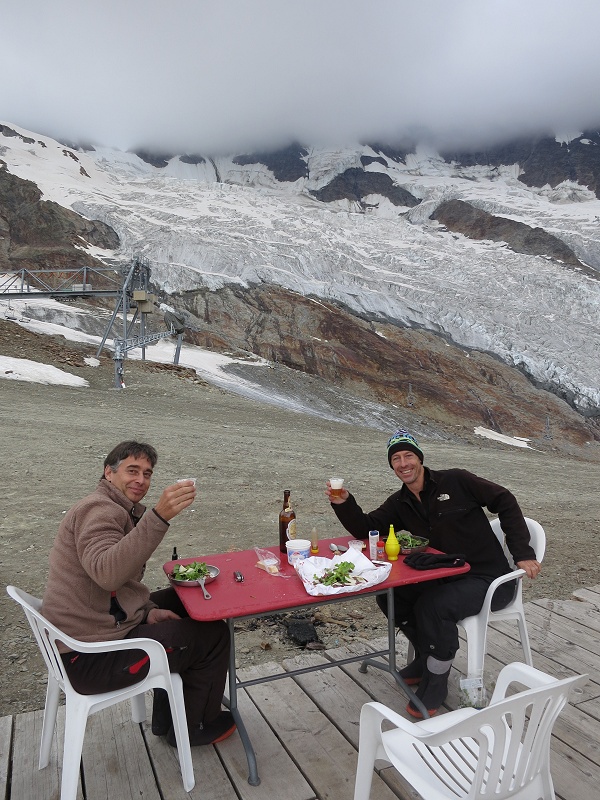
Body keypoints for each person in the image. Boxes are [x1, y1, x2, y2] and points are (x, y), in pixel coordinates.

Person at [326, 429, 541, 718]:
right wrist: (344, 504)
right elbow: (368, 529)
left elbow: (504, 499)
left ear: (420, 458)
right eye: (396, 459)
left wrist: (523, 553)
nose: (403, 464)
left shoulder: (456, 480)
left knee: (434, 606)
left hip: (488, 579)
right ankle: (426, 656)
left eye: (408, 456)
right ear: (392, 466)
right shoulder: (401, 502)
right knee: (392, 596)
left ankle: (437, 680)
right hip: (446, 576)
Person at [42, 440, 234, 746]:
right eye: (132, 470)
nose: (141, 480)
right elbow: (108, 574)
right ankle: (196, 726)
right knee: (213, 637)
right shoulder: (99, 510)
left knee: (185, 600)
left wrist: (146, 611)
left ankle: (169, 720)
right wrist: (158, 517)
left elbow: (119, 588)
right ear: (108, 472)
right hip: (89, 657)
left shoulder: (114, 507)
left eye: (147, 473)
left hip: (94, 628)